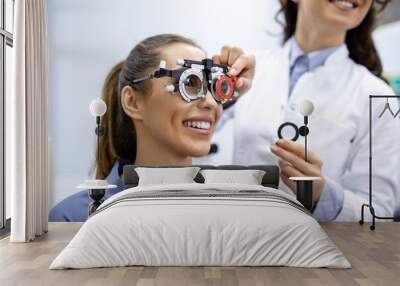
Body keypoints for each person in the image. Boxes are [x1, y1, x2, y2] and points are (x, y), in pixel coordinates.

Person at [211, 0, 400, 221]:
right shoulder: (246, 68)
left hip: (314, 250)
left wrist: (321, 195)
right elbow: (182, 133)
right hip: (236, 239)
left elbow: (379, 213)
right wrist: (219, 92)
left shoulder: (377, 96)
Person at [50, 34, 248, 221]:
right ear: (133, 102)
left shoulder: (232, 212)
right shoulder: (73, 218)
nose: (212, 104)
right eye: (189, 82)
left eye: (214, 87)